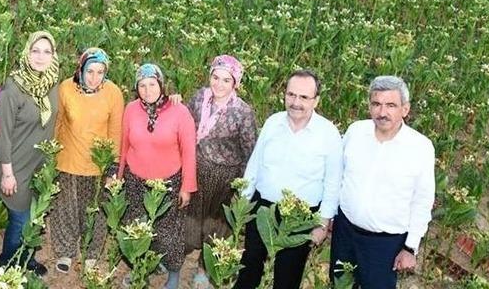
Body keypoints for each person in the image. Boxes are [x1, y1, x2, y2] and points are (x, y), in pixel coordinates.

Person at [234, 69, 342, 289]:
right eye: (291, 95)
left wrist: (323, 223)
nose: (296, 102)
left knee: (287, 278)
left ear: (316, 101)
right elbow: (255, 163)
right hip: (263, 209)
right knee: (248, 270)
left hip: (300, 217)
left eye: (304, 97)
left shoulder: (328, 134)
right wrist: (244, 201)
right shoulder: (273, 122)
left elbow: (333, 183)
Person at [330, 76, 435, 289]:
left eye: (391, 105)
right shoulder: (355, 131)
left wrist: (410, 247)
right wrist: (331, 214)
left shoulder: (420, 148)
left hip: (385, 245)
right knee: (339, 284)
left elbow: (422, 200)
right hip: (345, 233)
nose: (382, 112)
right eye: (376, 104)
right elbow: (337, 176)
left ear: (405, 109)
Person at [118, 63, 196, 289]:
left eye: (152, 84)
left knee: (168, 233)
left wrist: (187, 186)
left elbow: (189, 151)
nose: (147, 90)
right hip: (135, 180)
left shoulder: (179, 111)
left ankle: (173, 275)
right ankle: (143, 269)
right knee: (138, 228)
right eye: (142, 85)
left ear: (161, 85)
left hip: (168, 183)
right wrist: (119, 175)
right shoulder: (131, 109)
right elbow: (124, 145)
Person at [184, 55, 257, 288]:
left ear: (235, 83)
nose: (219, 84)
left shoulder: (242, 112)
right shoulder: (198, 98)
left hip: (225, 177)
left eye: (226, 80)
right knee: (190, 219)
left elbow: (250, 151)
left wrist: (243, 187)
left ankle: (205, 269)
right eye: (215, 77)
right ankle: (178, 255)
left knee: (217, 225)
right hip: (197, 170)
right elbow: (183, 126)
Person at [50, 47, 124, 273]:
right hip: (68, 160)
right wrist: (51, 155)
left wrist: (112, 169)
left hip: (98, 164)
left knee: (95, 210)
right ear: (81, 69)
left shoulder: (113, 93)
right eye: (90, 71)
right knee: (65, 208)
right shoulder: (65, 88)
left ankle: (91, 252)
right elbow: (58, 122)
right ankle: (65, 251)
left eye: (100, 72)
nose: (94, 78)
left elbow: (116, 132)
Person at [0, 31, 61, 276]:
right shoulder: (14, 88)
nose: (40, 57)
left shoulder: (54, 82)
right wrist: (7, 173)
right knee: (20, 219)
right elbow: (4, 134)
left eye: (46, 51)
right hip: (16, 166)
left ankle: (27, 257)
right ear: (26, 52)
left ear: (54, 55)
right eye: (35, 50)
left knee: (35, 217)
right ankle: (7, 262)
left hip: (41, 165)